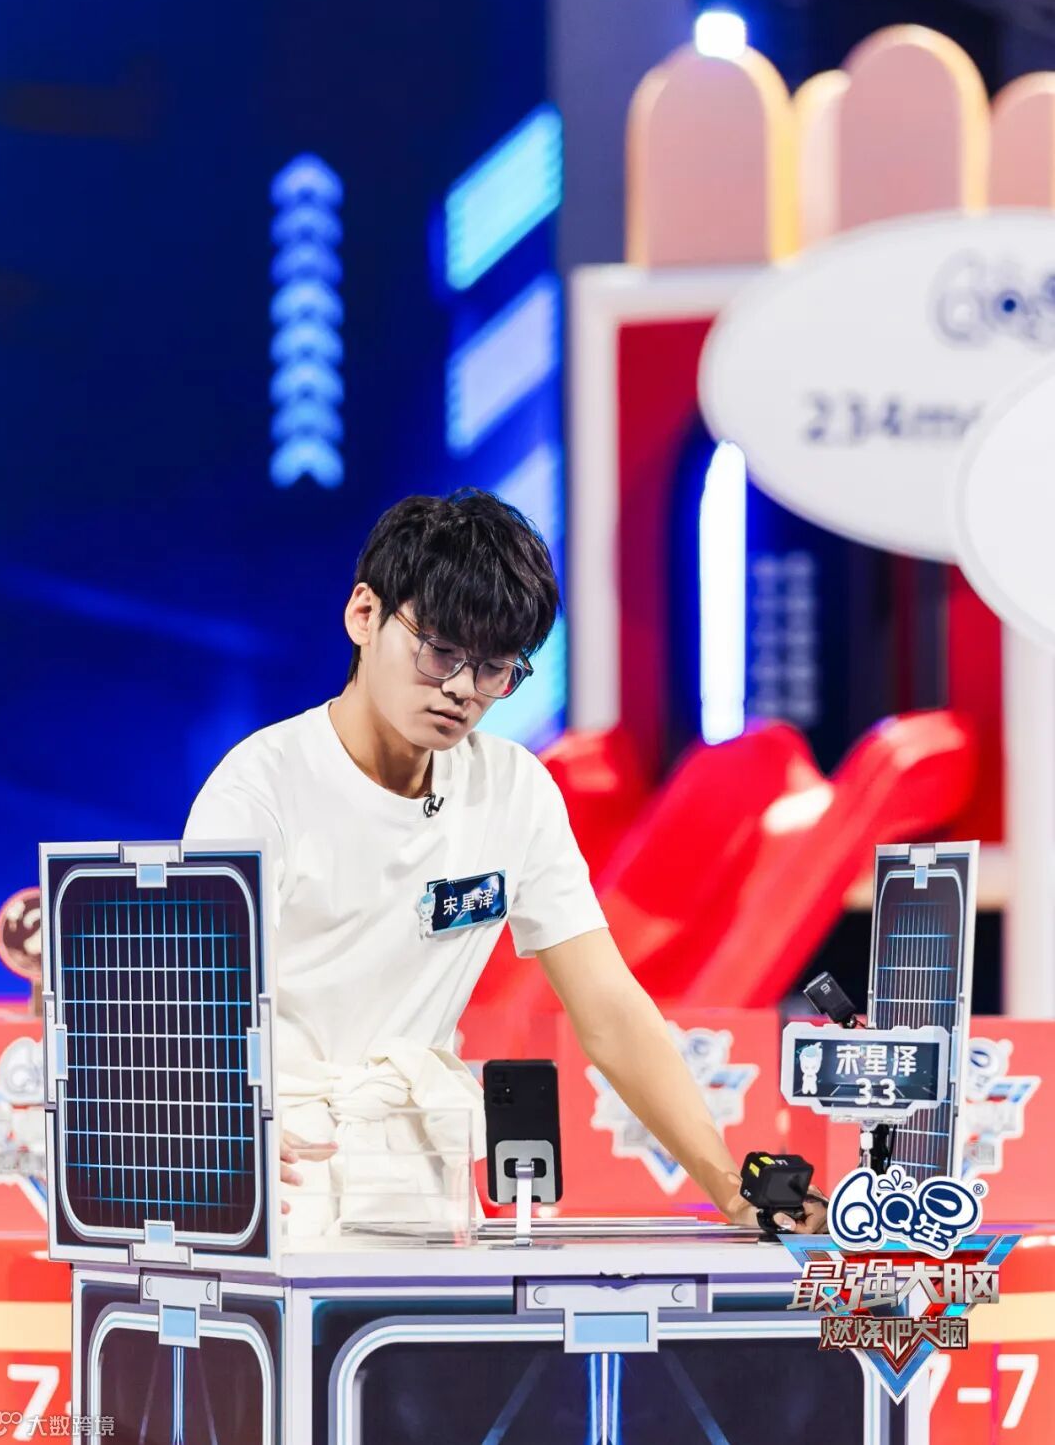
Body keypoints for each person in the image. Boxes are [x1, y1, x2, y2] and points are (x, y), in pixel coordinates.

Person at [183, 488, 827, 1235]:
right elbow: (177, 1012)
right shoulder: (259, 789)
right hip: (275, 1171)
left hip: (423, 1181)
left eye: (493, 669)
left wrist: (728, 1186)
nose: (461, 689)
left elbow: (611, 1009)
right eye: (439, 652)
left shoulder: (514, 790)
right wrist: (221, 1125)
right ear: (364, 614)